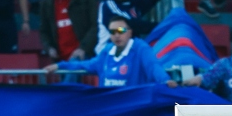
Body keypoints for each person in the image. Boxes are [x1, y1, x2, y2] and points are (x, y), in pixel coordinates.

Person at [46, 16, 179, 87]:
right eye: (112, 32)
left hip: (132, 106)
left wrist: (165, 81)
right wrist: (60, 65)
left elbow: (153, 66)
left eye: (121, 31)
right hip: (109, 105)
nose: (116, 35)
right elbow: (85, 65)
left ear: (130, 32)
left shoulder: (140, 48)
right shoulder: (107, 51)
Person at [40, 0, 98, 64]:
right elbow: (44, 31)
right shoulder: (46, 2)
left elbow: (95, 25)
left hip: (82, 56)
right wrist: (49, 48)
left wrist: (83, 48)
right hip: (60, 60)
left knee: (72, 71)